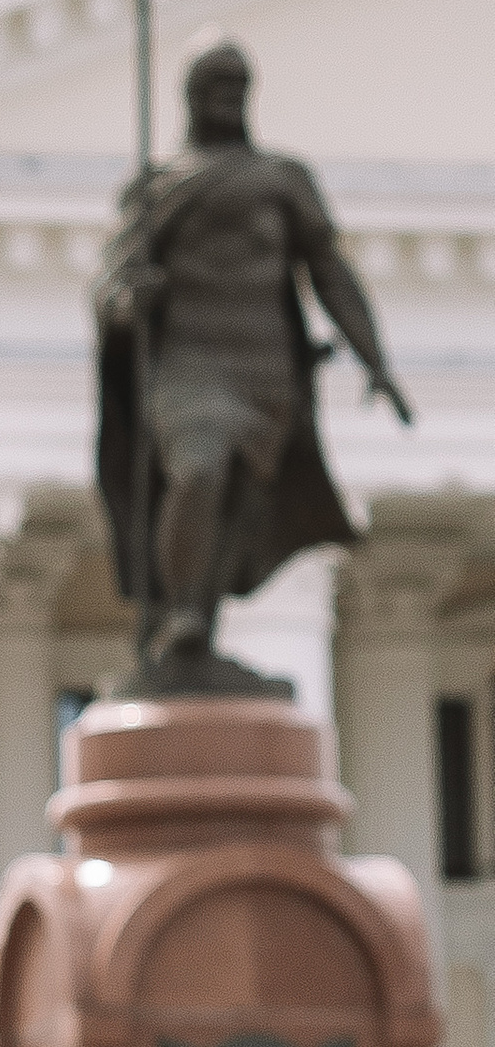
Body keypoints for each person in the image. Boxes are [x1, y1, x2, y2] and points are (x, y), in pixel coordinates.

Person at [94, 37, 412, 678]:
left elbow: (329, 270)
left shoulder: (282, 181)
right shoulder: (161, 187)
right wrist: (131, 301)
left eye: (236, 88)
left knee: (238, 507)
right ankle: (179, 614)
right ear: (189, 97)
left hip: (265, 369)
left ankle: (196, 636)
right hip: (190, 364)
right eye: (213, 88)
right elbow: (114, 285)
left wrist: (375, 360)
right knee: (199, 471)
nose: (225, 101)